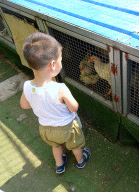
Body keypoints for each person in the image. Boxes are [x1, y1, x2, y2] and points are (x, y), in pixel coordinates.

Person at [20, 32, 90, 174]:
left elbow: (25, 105)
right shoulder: (60, 88)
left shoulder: (27, 86)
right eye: (60, 60)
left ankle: (59, 164)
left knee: (56, 146)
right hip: (67, 128)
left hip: (46, 129)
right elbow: (74, 107)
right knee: (75, 145)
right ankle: (80, 161)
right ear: (53, 64)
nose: (60, 62)